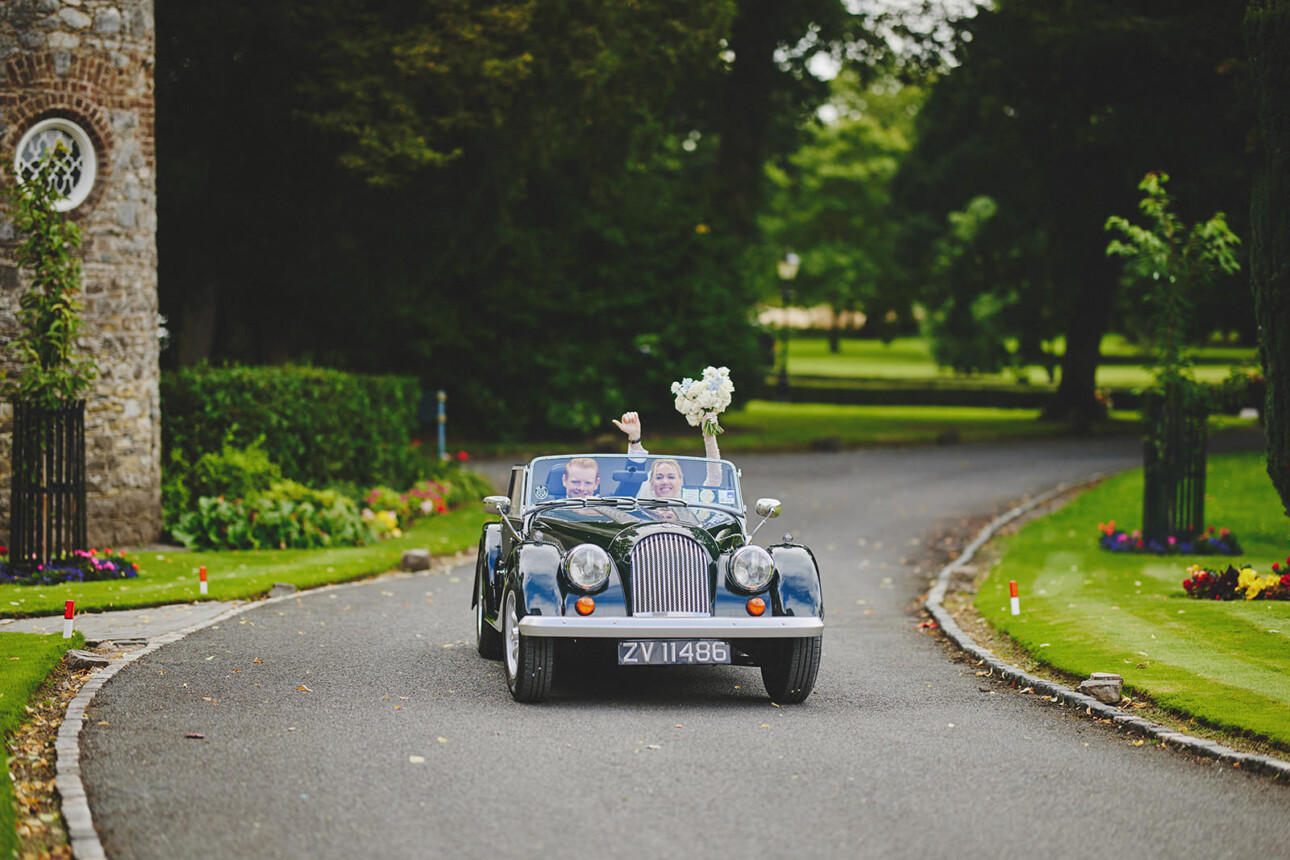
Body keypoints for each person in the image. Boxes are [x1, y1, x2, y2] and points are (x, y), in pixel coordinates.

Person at [612, 411, 722, 486]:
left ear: (681, 482)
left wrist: (709, 437)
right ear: (651, 484)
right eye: (659, 477)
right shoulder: (642, 507)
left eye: (671, 477)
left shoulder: (692, 506)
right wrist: (634, 436)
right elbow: (632, 480)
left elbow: (714, 479)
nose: (665, 482)